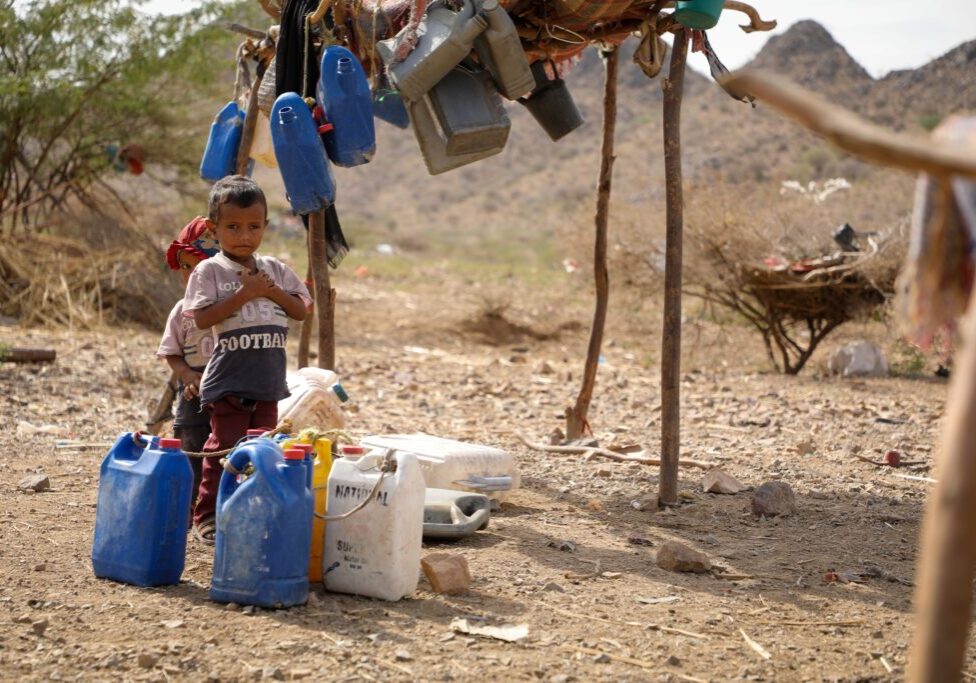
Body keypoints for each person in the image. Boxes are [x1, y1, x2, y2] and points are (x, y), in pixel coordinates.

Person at [183, 175, 311, 544]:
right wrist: (245, 293)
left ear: (265, 227)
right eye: (233, 227)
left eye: (254, 227)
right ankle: (207, 515)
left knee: (260, 450)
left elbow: (299, 311)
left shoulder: (276, 268)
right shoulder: (210, 270)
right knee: (223, 447)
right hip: (229, 378)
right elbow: (203, 318)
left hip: (268, 379)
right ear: (213, 229)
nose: (244, 235)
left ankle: (248, 509)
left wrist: (269, 290)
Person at [156, 217, 221, 519]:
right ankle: (187, 507)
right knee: (191, 447)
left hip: (230, 393)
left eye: (199, 267)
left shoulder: (234, 306)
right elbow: (171, 353)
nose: (191, 275)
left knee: (225, 451)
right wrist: (186, 374)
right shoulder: (182, 312)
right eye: (185, 267)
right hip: (194, 394)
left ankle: (216, 506)